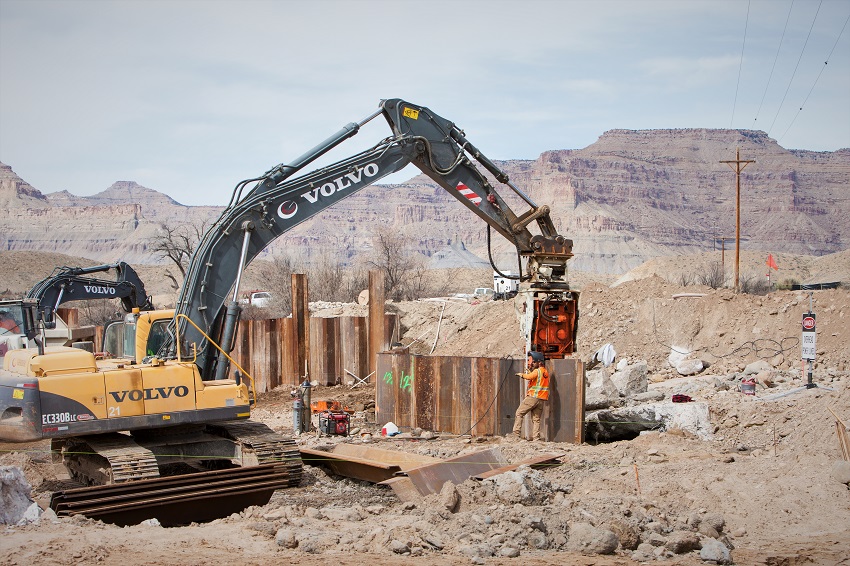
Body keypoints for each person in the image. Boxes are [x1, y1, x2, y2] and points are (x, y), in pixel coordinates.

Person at [509, 350, 550, 441]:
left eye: (534, 362)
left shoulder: (537, 371)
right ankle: (536, 438)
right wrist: (531, 371)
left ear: (539, 363)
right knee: (536, 419)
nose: (532, 363)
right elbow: (537, 381)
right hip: (541, 399)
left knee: (519, 413)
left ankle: (516, 434)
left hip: (533, 397)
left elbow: (529, 377)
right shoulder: (545, 372)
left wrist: (522, 375)